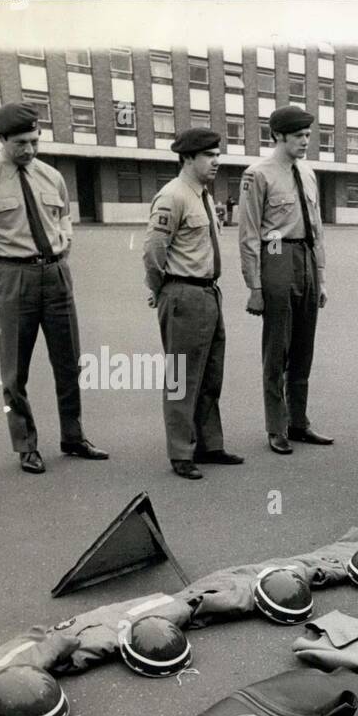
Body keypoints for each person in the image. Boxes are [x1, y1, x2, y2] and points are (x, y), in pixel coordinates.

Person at [0, 102, 109, 474]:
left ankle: (73, 437)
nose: (29, 150)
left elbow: (63, 219)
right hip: (13, 278)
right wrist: (1, 280)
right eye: (21, 144)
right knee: (14, 372)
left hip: (57, 276)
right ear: (2, 140)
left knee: (69, 364)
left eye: (34, 141)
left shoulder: (51, 176)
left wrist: (64, 247)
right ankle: (25, 445)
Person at [143, 127, 243, 480]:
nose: (216, 161)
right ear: (187, 158)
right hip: (184, 292)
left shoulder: (201, 194)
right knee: (182, 378)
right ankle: (181, 452)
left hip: (208, 292)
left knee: (210, 375)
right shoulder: (172, 196)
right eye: (209, 155)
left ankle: (209, 444)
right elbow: (154, 250)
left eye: (217, 154)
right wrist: (164, 289)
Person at [239, 105, 331, 455]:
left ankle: (299, 422)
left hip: (306, 256)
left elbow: (318, 229)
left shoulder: (307, 173)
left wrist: (320, 277)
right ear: (278, 135)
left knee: (304, 347)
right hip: (276, 253)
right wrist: (255, 286)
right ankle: (276, 427)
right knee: (277, 348)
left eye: (308, 135)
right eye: (299, 136)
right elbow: (249, 233)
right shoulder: (257, 175)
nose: (306, 141)